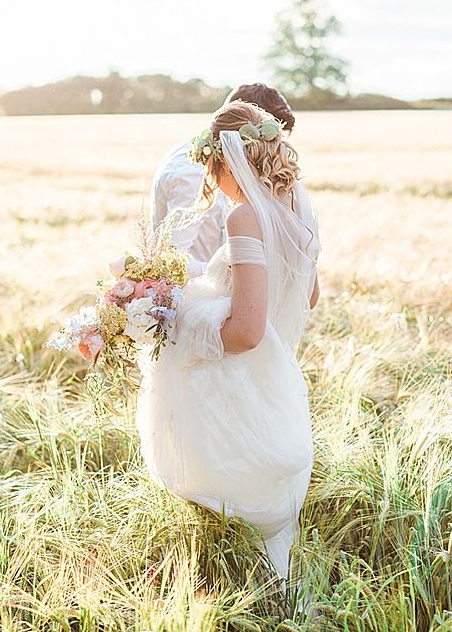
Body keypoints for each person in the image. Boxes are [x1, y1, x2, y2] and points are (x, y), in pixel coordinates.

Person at [137, 101, 321, 582]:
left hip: (241, 378)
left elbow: (245, 332)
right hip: (276, 376)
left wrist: (180, 329)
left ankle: (225, 585)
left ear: (225, 158)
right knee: (264, 515)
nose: (210, 177)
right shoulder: (297, 206)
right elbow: (311, 294)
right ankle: (270, 587)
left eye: (210, 165)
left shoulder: (245, 217)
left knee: (228, 494)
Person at [149, 83, 296, 278]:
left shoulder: (223, 166)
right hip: (195, 297)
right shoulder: (192, 172)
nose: (271, 154)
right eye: (267, 144)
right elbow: (170, 259)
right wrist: (243, 271)